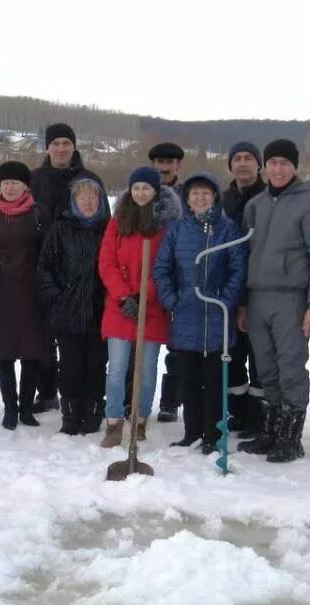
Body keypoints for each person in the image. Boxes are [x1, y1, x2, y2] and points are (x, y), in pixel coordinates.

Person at [237, 139, 310, 462]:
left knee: (290, 369)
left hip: (292, 299)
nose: (277, 169)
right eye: (272, 163)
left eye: (284, 163)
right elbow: (243, 255)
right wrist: (243, 303)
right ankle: (271, 431)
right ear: (265, 167)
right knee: (265, 370)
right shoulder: (257, 205)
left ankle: (290, 437)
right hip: (258, 298)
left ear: (294, 167)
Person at [153, 172, 246, 453]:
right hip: (186, 316)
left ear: (214, 196)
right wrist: (173, 299)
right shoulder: (178, 230)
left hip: (217, 317)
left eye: (206, 193)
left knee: (214, 380)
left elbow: (238, 269)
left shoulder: (228, 230)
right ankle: (191, 432)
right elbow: (161, 268)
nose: (200, 198)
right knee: (189, 379)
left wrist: (224, 300)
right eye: (195, 194)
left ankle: (213, 434)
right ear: (188, 200)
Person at [98, 167, 181, 447]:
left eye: (146, 188)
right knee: (118, 367)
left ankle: (140, 419)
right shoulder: (118, 220)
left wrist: (146, 295)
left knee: (146, 371)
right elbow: (106, 262)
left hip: (152, 306)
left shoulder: (167, 224)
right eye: (136, 188)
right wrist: (124, 296)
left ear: (156, 190)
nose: (141, 193)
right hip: (120, 305)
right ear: (129, 190)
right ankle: (114, 422)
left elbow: (169, 266)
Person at [29, 123, 107, 413]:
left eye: (66, 143)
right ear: (47, 147)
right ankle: (46, 390)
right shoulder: (34, 179)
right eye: (55, 143)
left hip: (83, 274)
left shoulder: (88, 179)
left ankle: (85, 397)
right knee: (43, 335)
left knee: (81, 343)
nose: (61, 148)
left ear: (74, 147)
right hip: (42, 267)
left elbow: (105, 228)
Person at [0, 161, 48, 430]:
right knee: (4, 354)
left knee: (31, 353)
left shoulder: (39, 214)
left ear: (26, 186)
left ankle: (27, 409)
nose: (10, 187)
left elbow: (48, 252)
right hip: (0, 292)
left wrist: (43, 280)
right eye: (5, 183)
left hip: (32, 291)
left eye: (15, 182)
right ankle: (10, 409)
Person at [38, 177, 110, 435]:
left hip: (99, 311)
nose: (88, 203)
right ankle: (70, 414)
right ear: (74, 202)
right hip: (67, 312)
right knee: (70, 366)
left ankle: (92, 412)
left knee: (95, 365)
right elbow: (45, 267)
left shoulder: (108, 229)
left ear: (100, 202)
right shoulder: (60, 229)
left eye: (93, 198)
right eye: (83, 198)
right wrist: (57, 296)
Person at [222, 141, 266, 437]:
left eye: (248, 158)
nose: (242, 163)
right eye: (236, 158)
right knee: (232, 355)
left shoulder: (268, 197)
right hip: (227, 289)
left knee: (260, 356)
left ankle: (258, 417)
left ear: (258, 164)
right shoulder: (222, 199)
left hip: (261, 287)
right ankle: (237, 413)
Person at [148, 141, 187, 424]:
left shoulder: (190, 194)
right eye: (160, 161)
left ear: (177, 165)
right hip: (146, 276)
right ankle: (131, 398)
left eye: (170, 162)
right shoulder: (143, 190)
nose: (164, 166)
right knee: (141, 342)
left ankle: (170, 402)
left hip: (179, 277)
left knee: (177, 345)